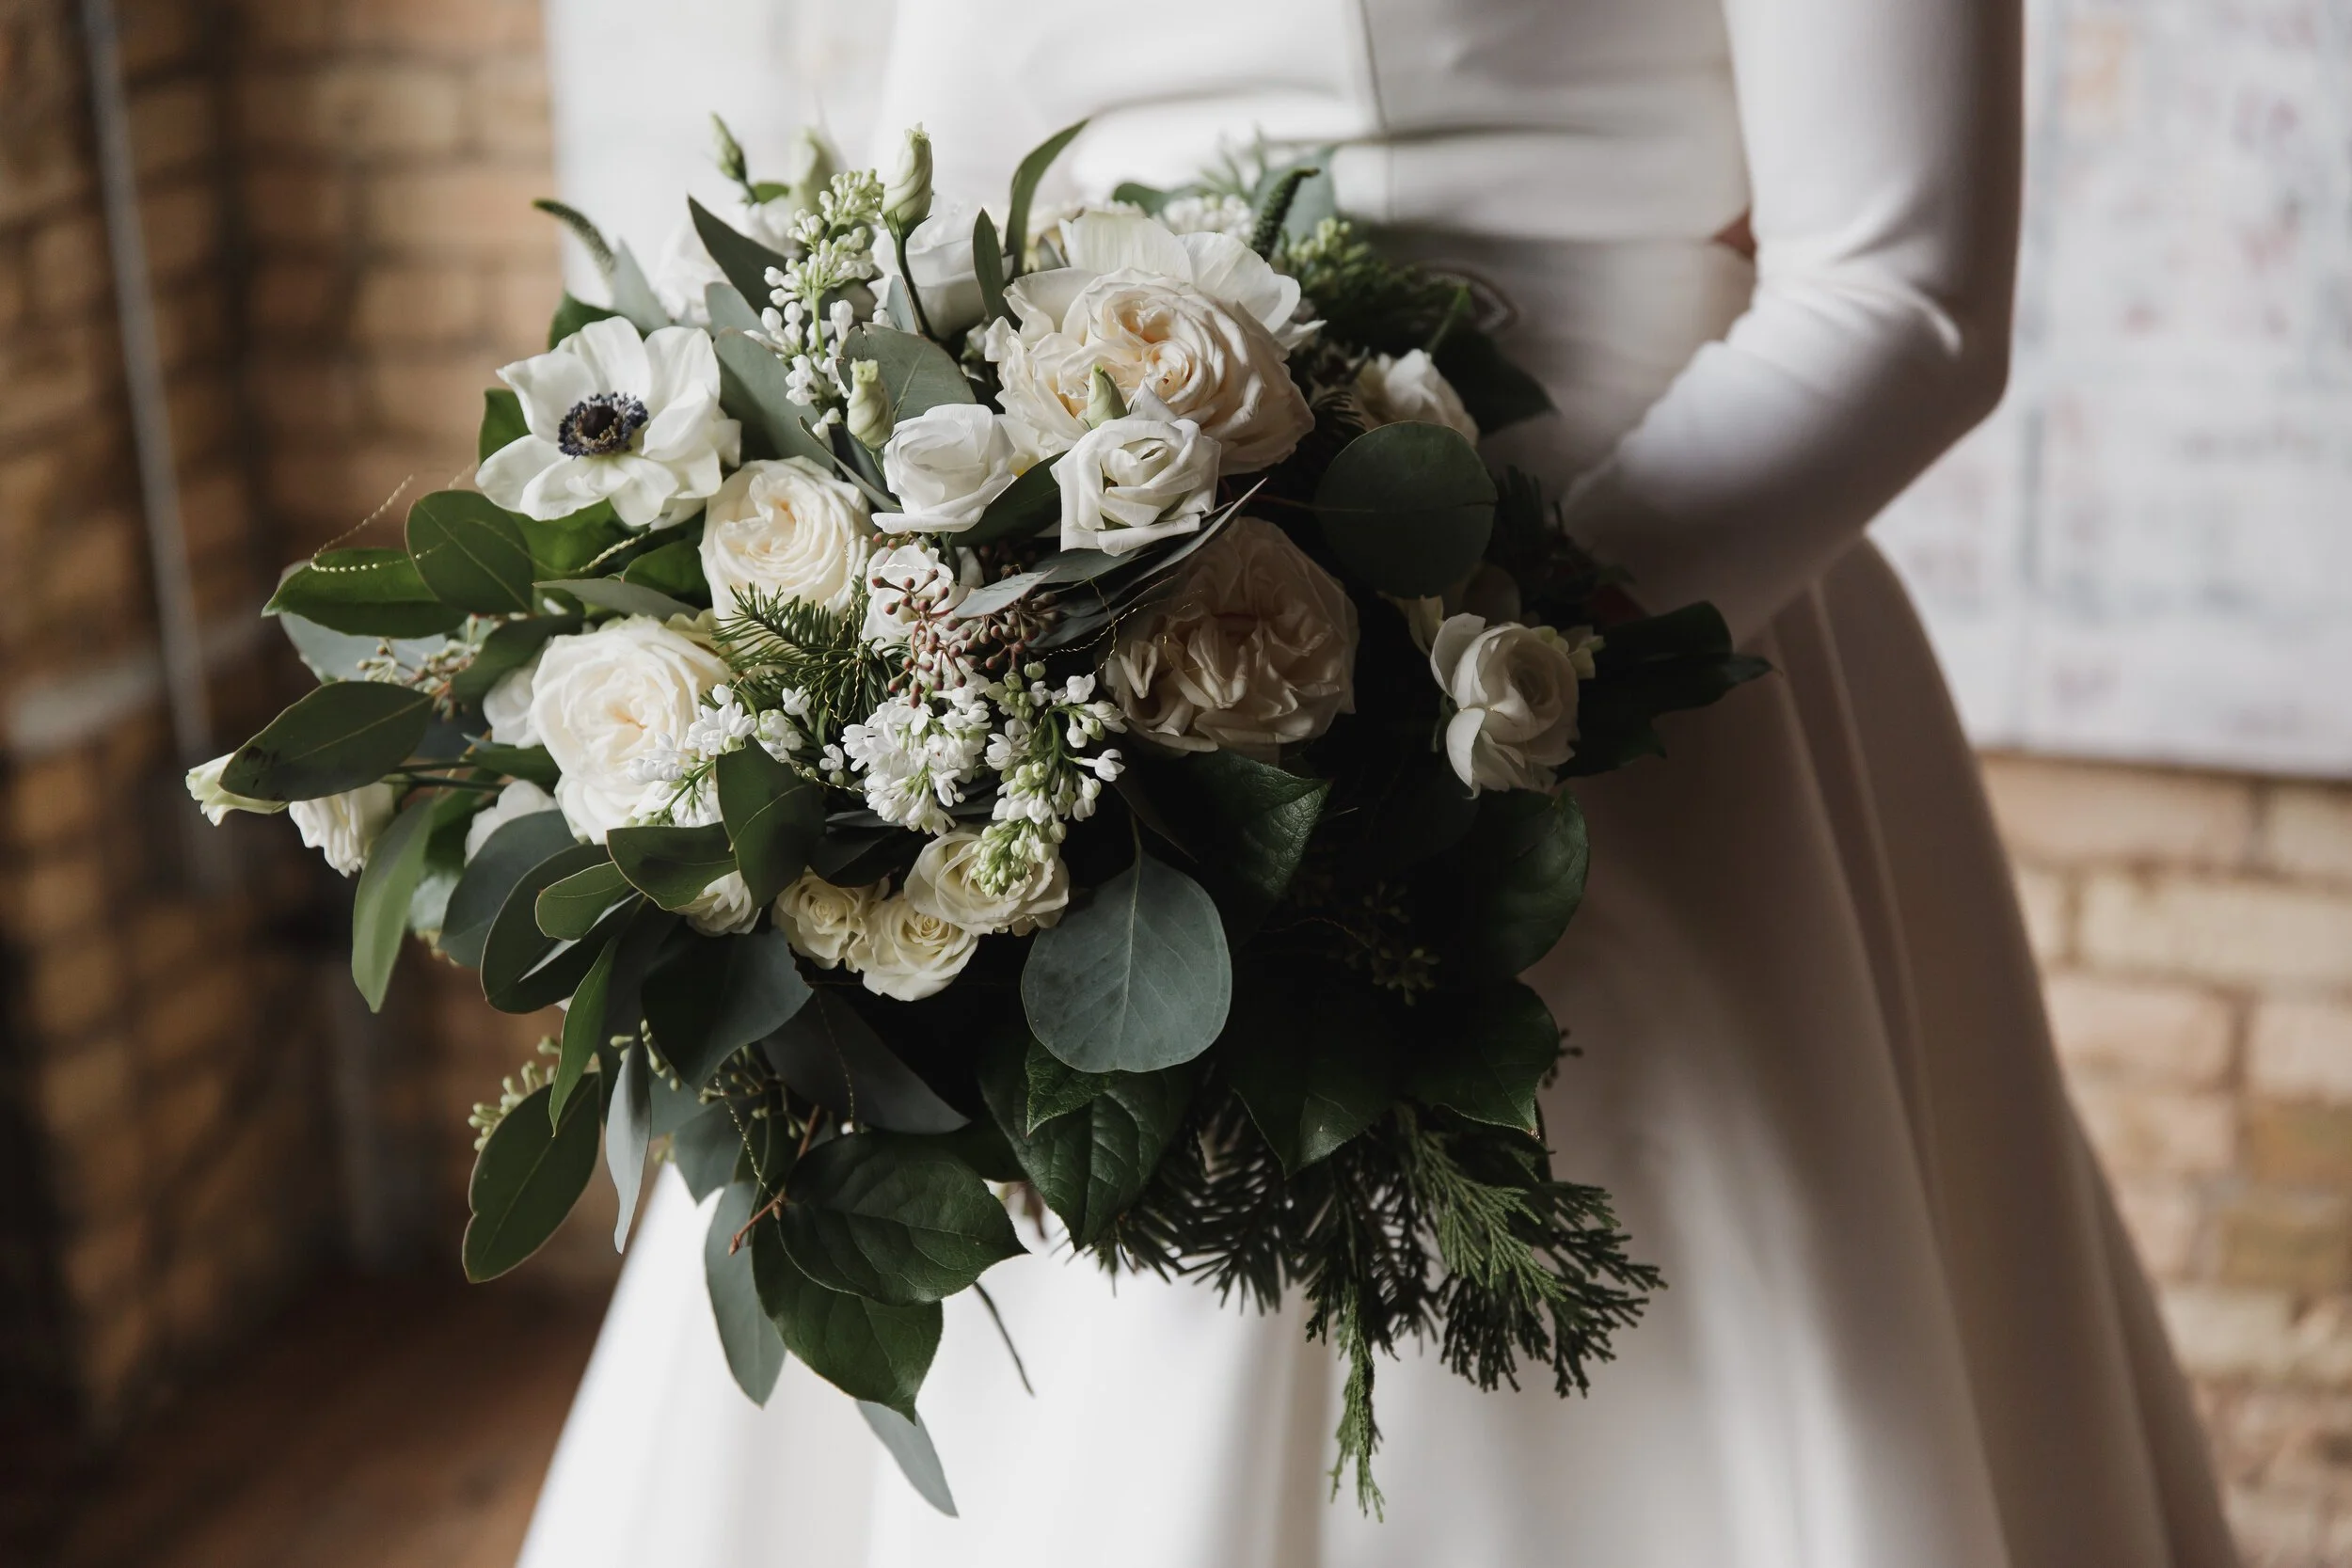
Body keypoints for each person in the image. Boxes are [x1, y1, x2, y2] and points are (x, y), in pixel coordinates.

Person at [517, 3, 2240, 1563]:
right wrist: (911, 648)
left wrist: (1476, 670)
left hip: (1629, 668)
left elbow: (1908, 299)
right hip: (1068, 699)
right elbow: (938, 208)